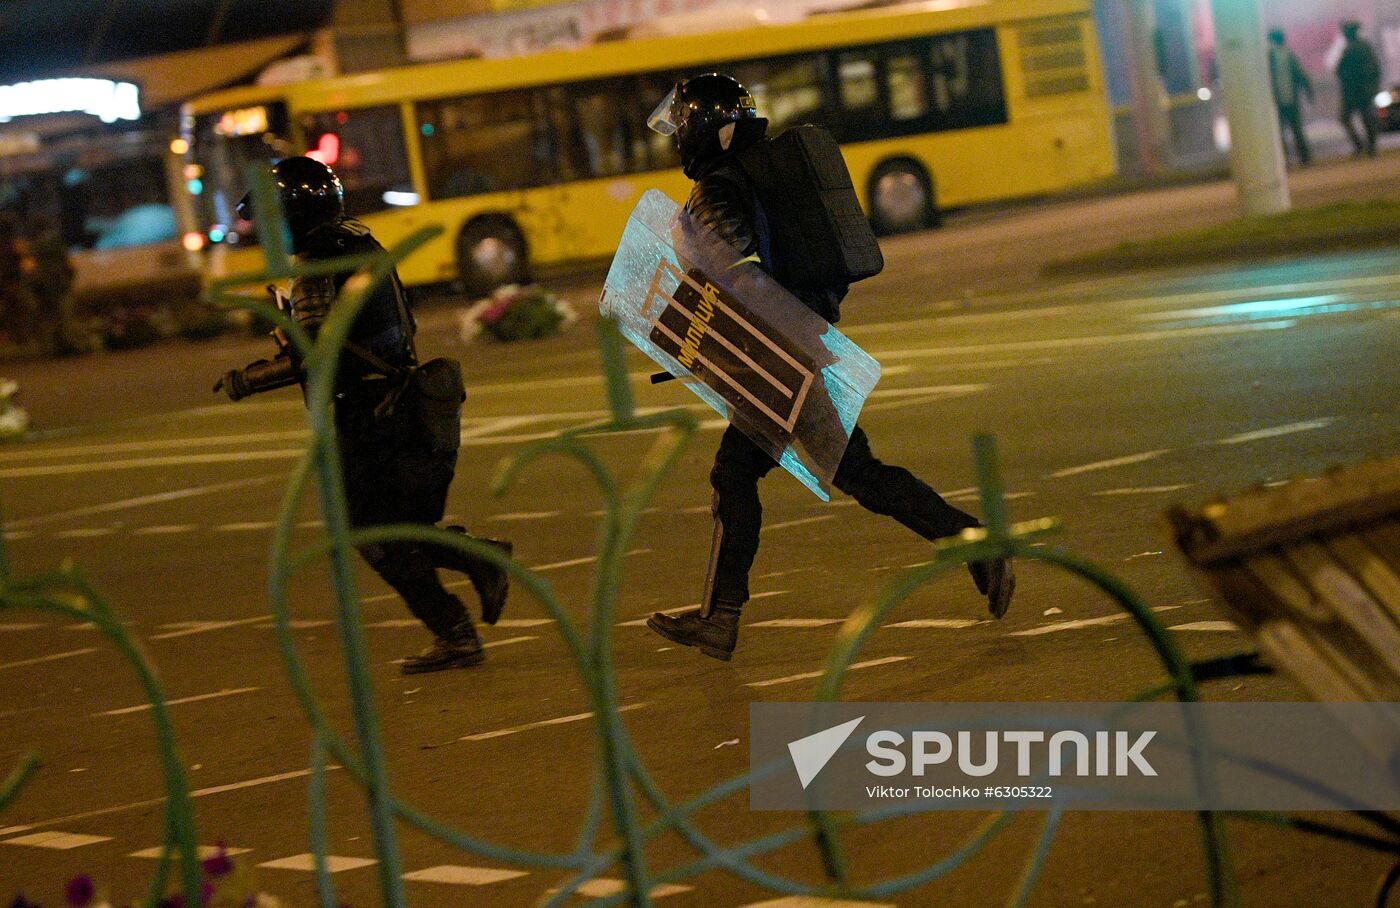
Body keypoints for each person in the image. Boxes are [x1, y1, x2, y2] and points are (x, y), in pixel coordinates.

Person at [642, 74, 1014, 662]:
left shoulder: (718, 190)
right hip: (798, 343)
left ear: (701, 131)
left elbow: (722, 273)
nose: (678, 140)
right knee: (741, 473)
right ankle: (720, 617)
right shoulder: (765, 171)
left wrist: (685, 256)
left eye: (682, 129)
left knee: (850, 474)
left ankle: (977, 544)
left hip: (778, 358)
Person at [216, 156, 512, 673]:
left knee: (374, 537)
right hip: (396, 405)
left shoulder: (318, 263)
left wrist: (248, 379)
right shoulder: (360, 243)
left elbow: (313, 351)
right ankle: (478, 564)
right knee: (399, 527)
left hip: (369, 416)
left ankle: (459, 628)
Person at [1336, 20, 1382, 157]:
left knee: (1346, 118)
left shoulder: (1350, 49)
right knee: (1367, 118)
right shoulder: (1365, 47)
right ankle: (1370, 147)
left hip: (1354, 92)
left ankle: (1361, 146)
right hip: (1365, 90)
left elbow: (1341, 71)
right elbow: (1376, 69)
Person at [1267, 29, 1313, 166]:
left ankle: (1283, 161)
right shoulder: (1289, 55)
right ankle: (1305, 158)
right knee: (1296, 129)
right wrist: (1308, 91)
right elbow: (1300, 74)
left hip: (1277, 101)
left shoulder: (1269, 57)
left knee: (1279, 133)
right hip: (1291, 98)